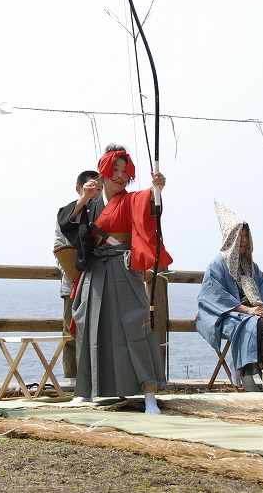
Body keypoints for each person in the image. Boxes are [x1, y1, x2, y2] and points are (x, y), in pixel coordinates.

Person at [57, 144, 171, 413]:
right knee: (88, 325)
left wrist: (157, 189)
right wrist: (84, 198)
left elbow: (149, 205)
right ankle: (85, 390)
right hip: (95, 269)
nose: (120, 176)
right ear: (104, 172)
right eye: (115, 170)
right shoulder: (92, 203)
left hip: (123, 267)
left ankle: (149, 394)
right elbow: (67, 223)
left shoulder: (131, 200)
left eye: (124, 171)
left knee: (135, 324)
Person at [195, 200, 263, 392]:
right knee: (252, 325)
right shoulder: (216, 265)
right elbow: (213, 296)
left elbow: (262, 293)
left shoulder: (252, 266)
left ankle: (248, 369)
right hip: (223, 314)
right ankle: (246, 375)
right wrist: (247, 310)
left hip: (250, 312)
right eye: (240, 236)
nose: (244, 240)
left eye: (246, 236)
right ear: (231, 238)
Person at [53, 169, 100, 389]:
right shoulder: (65, 213)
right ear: (78, 189)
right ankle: (72, 378)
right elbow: (58, 248)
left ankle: (97, 377)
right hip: (70, 282)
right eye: (91, 188)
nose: (95, 192)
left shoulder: (102, 210)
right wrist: (70, 273)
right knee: (70, 330)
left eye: (99, 189)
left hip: (96, 280)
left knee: (97, 329)